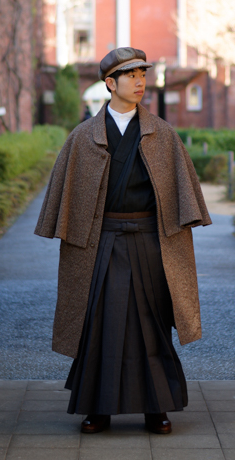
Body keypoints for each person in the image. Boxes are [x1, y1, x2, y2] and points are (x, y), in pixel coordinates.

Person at [34, 46, 211, 435]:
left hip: (151, 240)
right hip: (103, 241)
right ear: (109, 83)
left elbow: (180, 191)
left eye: (142, 75)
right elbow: (68, 196)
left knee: (152, 321)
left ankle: (156, 407)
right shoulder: (83, 138)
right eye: (130, 76)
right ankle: (97, 408)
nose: (139, 82)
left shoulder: (162, 134)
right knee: (99, 321)